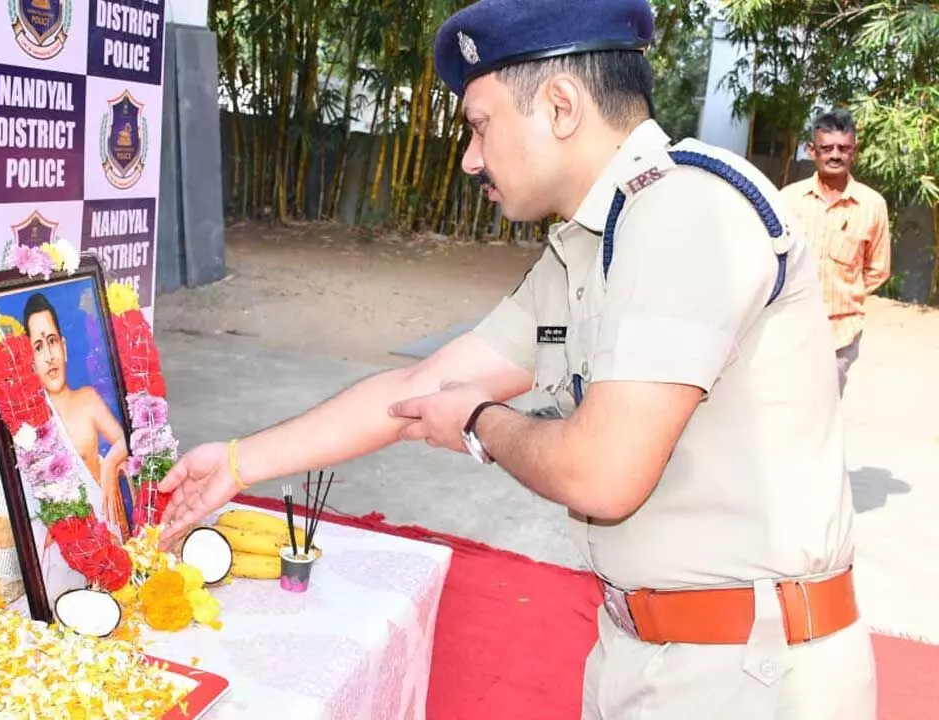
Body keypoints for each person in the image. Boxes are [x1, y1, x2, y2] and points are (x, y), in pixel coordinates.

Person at [157, 0, 875, 716]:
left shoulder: (685, 210)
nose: (470, 159)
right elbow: (418, 386)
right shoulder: (588, 247)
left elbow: (601, 473)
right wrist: (239, 462)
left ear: (560, 106)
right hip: (649, 654)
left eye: (479, 125)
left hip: (754, 678)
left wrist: (479, 422)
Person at [780, 108, 891, 396]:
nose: (835, 155)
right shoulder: (788, 199)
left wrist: (844, 295)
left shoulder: (872, 205)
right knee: (781, 404)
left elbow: (878, 269)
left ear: (855, 150)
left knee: (824, 413)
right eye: (826, 148)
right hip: (788, 328)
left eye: (843, 148)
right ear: (811, 150)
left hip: (840, 335)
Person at [23, 292, 131, 533]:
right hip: (56, 543)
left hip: (104, 531)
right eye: (38, 347)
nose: (49, 357)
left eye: (52, 342)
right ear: (30, 361)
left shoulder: (87, 400)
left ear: (64, 347)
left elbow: (129, 441)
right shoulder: (27, 425)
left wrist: (110, 463)